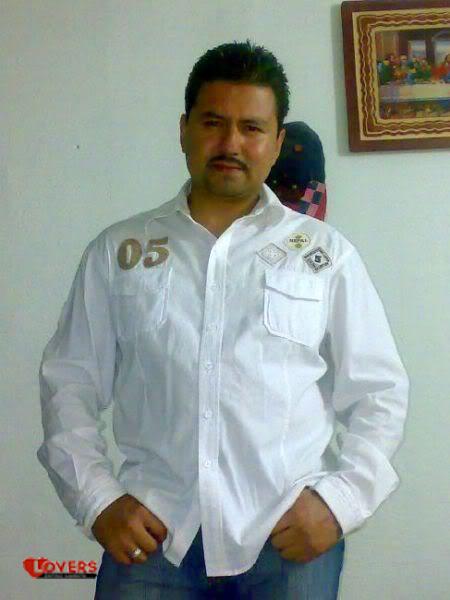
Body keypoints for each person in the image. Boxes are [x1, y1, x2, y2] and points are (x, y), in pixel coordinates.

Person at [37, 40, 409, 599]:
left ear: (276, 143)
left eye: (252, 128)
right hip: (154, 537)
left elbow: (379, 392)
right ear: (184, 129)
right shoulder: (120, 252)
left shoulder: (325, 257)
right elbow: (69, 382)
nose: (231, 143)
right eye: (213, 123)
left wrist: (342, 502)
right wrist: (97, 499)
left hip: (288, 540)